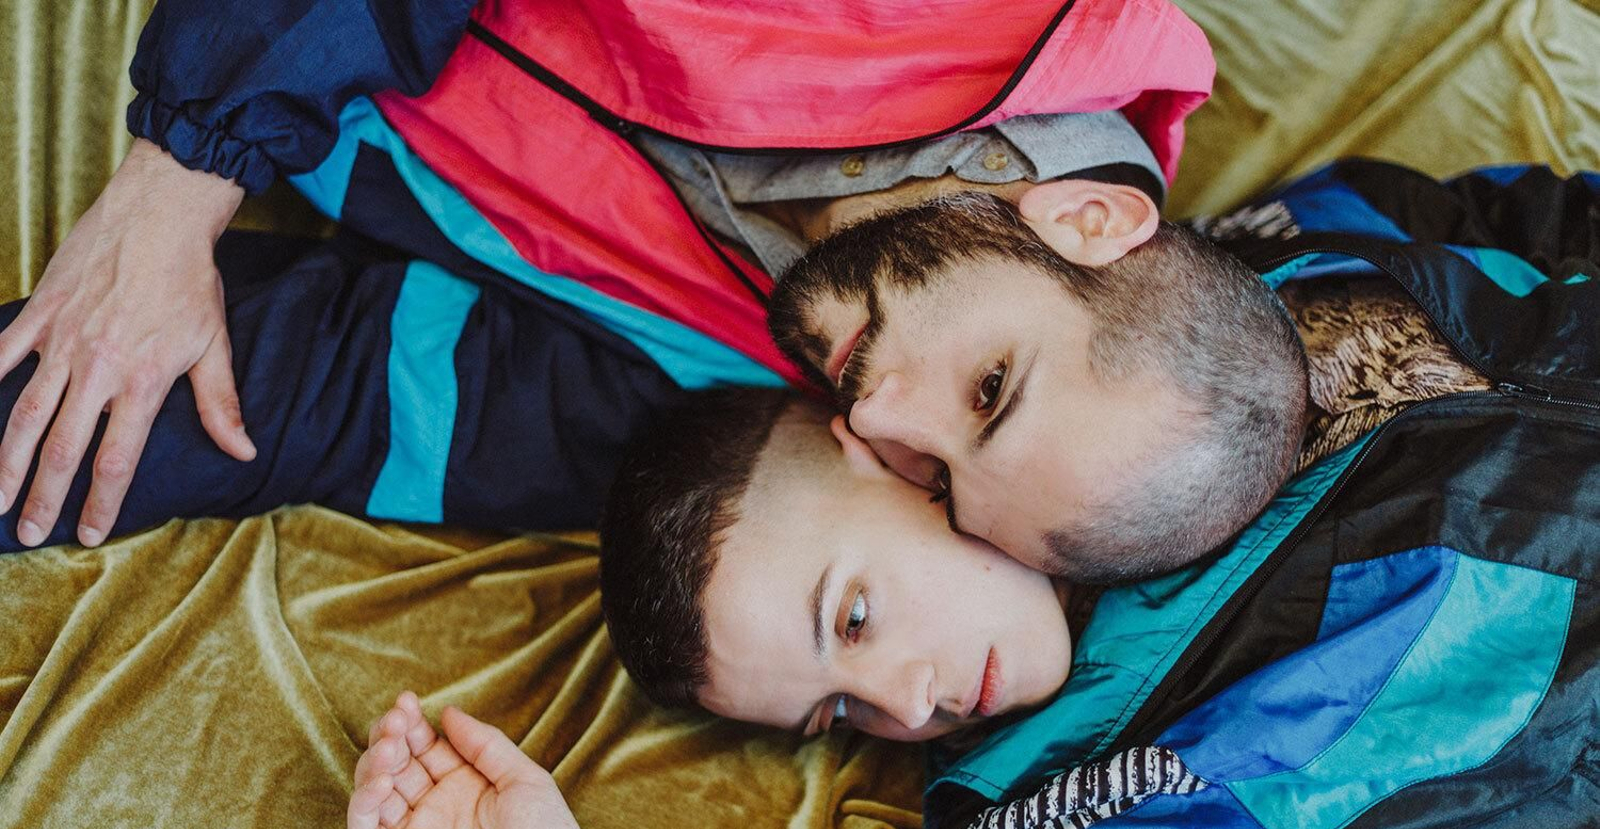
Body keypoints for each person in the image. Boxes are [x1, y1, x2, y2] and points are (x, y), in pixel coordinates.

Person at [349, 266, 1600, 829]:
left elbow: (1494, 236)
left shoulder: (1185, 302)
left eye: (853, 619)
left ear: (894, 456)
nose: (903, 701)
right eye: (836, 711)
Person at [0, 0, 1213, 552]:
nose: (878, 423)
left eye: (937, 483)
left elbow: (366, 390)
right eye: (989, 388)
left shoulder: (785, 387)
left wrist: (55, 431)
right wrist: (178, 180)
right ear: (1089, 219)